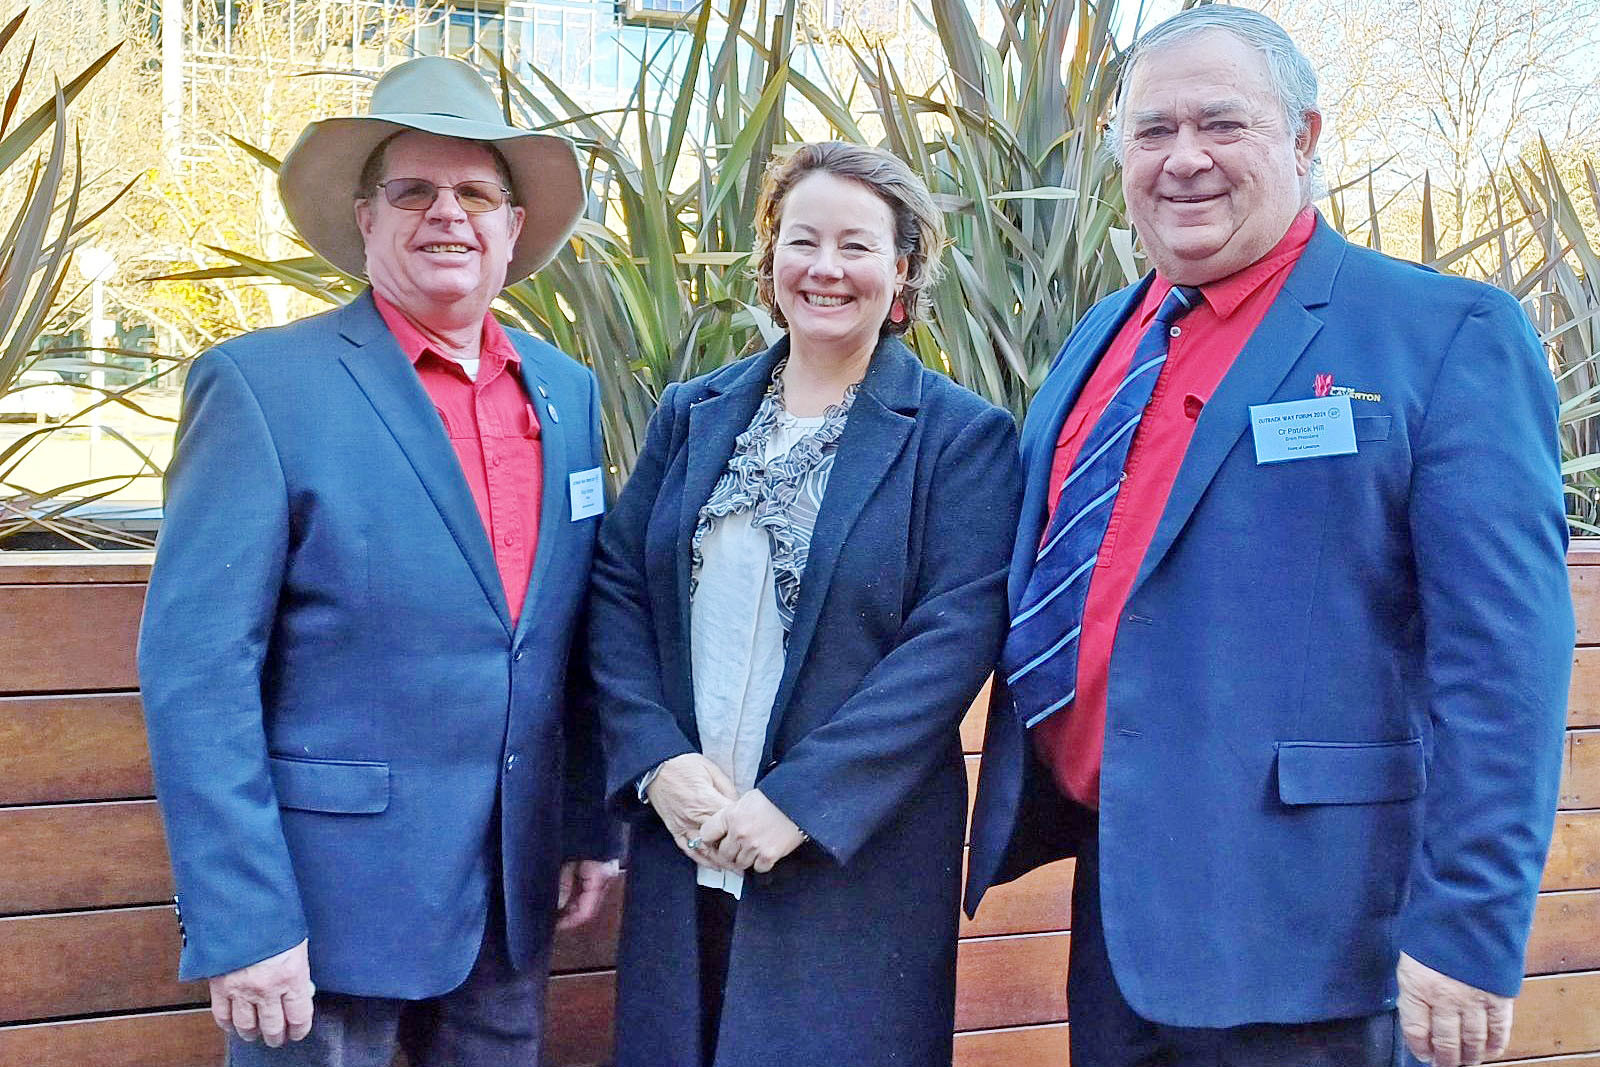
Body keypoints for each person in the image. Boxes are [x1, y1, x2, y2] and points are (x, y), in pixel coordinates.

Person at [965, 7, 1573, 1067]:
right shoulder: (1101, 338)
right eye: (1152, 132)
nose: (1183, 158)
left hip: (1319, 930)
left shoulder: (1441, 333)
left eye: (1221, 124)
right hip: (1124, 909)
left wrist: (1469, 927)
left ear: (1303, 138)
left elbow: (1505, 663)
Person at [138, 56, 618, 1066]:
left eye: (475, 192)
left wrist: (584, 822)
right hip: (321, 920)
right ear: (365, 218)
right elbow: (198, 674)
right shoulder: (263, 388)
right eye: (414, 190)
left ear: (513, 227)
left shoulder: (568, 394)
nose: (448, 213)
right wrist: (244, 918)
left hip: (509, 902)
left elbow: (563, 635)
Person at [587, 141, 1021, 1067]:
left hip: (847, 862)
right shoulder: (691, 413)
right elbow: (619, 588)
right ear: (770, 259)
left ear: (903, 269)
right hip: (684, 837)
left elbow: (950, 642)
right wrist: (658, 761)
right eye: (802, 240)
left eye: (857, 246)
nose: (825, 269)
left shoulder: (962, 438)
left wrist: (800, 801)